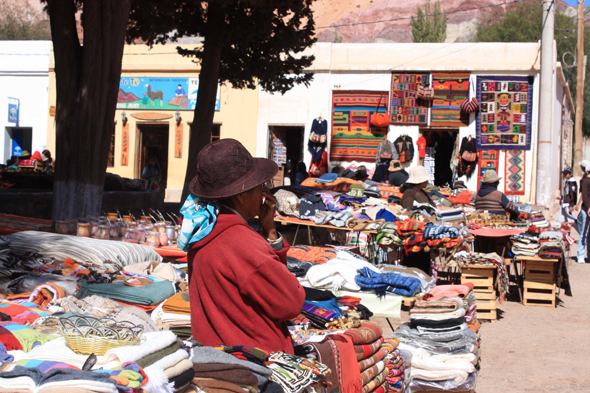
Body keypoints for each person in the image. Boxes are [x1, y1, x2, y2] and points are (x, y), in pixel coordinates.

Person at [180, 138, 305, 353]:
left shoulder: (203, 231)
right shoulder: (240, 242)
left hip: (219, 354)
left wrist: (269, 230)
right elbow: (291, 303)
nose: (265, 192)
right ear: (240, 195)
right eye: (259, 186)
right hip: (256, 359)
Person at [576, 162, 590, 263]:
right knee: (584, 233)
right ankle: (580, 255)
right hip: (587, 210)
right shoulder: (585, 181)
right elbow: (584, 196)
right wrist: (589, 208)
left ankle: (589, 255)